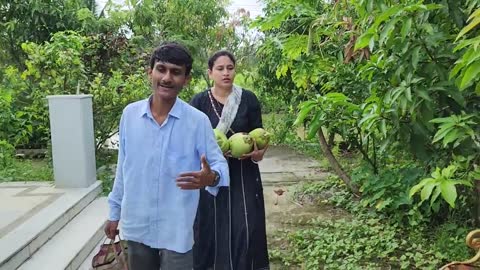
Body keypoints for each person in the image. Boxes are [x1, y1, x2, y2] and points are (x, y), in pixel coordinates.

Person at [104, 42, 230, 270]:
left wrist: (210, 178)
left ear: (186, 79)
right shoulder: (130, 115)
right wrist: (114, 213)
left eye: (176, 72)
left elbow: (219, 165)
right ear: (150, 72)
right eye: (161, 69)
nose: (167, 78)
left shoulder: (197, 121)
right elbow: (124, 167)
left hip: (177, 230)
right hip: (137, 225)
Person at [190, 50, 270, 270]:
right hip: (212, 176)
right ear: (210, 72)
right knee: (212, 225)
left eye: (230, 68)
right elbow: (190, 141)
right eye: (220, 68)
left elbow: (259, 137)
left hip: (243, 174)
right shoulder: (199, 101)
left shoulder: (248, 99)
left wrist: (257, 153)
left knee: (246, 226)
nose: (226, 73)